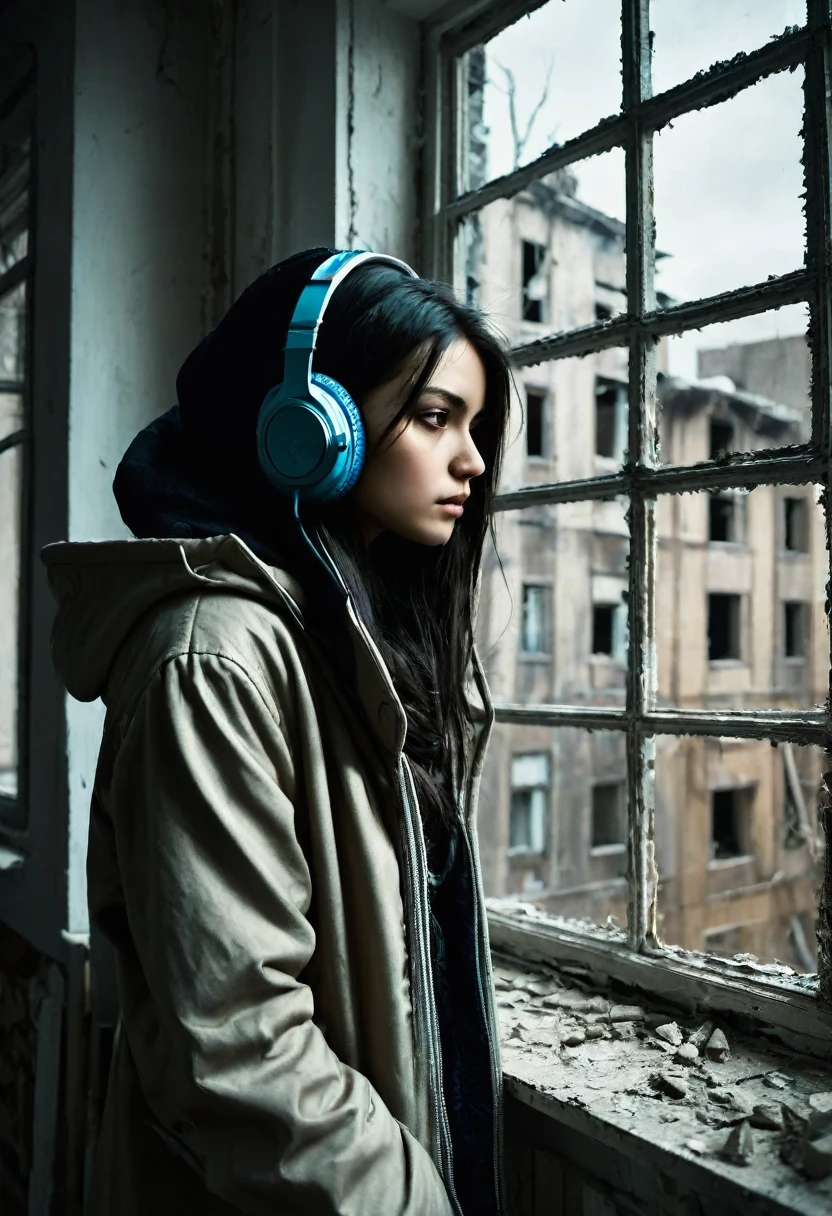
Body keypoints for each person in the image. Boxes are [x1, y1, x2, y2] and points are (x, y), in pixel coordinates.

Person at [43, 246, 512, 1215]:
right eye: (434, 418)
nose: (472, 459)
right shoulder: (213, 656)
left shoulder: (332, 639)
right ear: (307, 427)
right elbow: (238, 1047)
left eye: (474, 425)